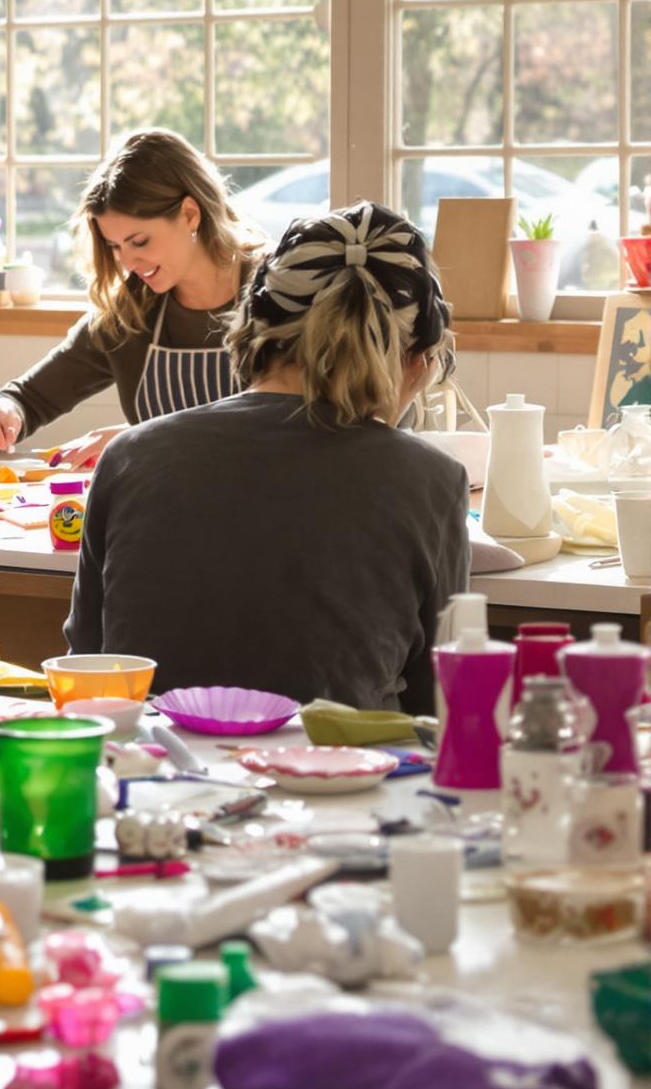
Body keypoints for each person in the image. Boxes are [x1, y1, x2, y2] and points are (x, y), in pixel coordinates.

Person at [67, 203, 467, 713]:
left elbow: (85, 663)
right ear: (416, 360)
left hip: (157, 775)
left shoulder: (129, 455)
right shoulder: (431, 478)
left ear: (253, 323)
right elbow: (440, 703)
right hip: (339, 777)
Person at [0, 129, 259, 468]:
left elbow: (292, 429)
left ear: (190, 214)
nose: (128, 263)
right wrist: (2, 411)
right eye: (115, 246)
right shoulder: (131, 314)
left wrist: (140, 437)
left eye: (139, 241)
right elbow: (30, 397)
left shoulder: (281, 292)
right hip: (162, 510)